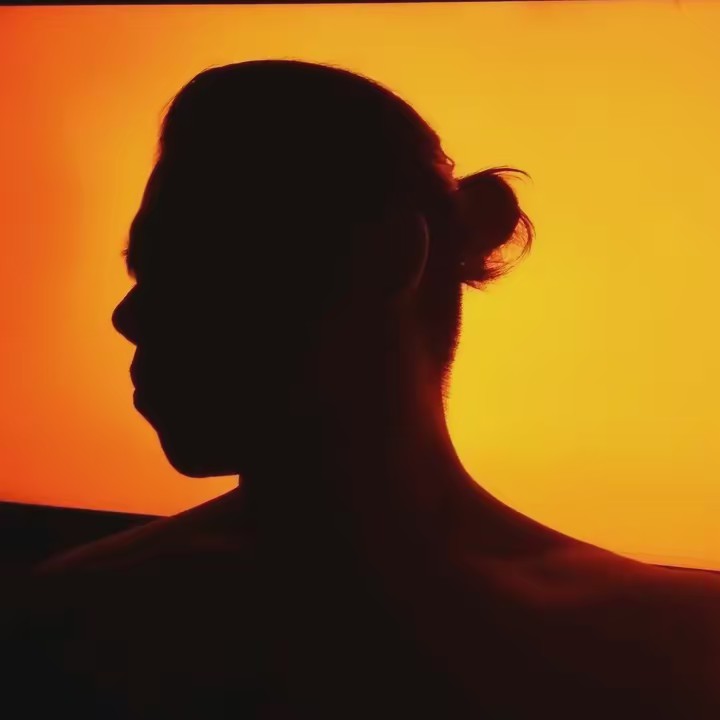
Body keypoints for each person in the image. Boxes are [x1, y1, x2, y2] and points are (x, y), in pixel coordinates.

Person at [1, 60, 718, 720]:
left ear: (389, 256)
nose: (128, 316)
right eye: (141, 270)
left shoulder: (81, 622)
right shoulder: (66, 619)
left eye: (199, 259)